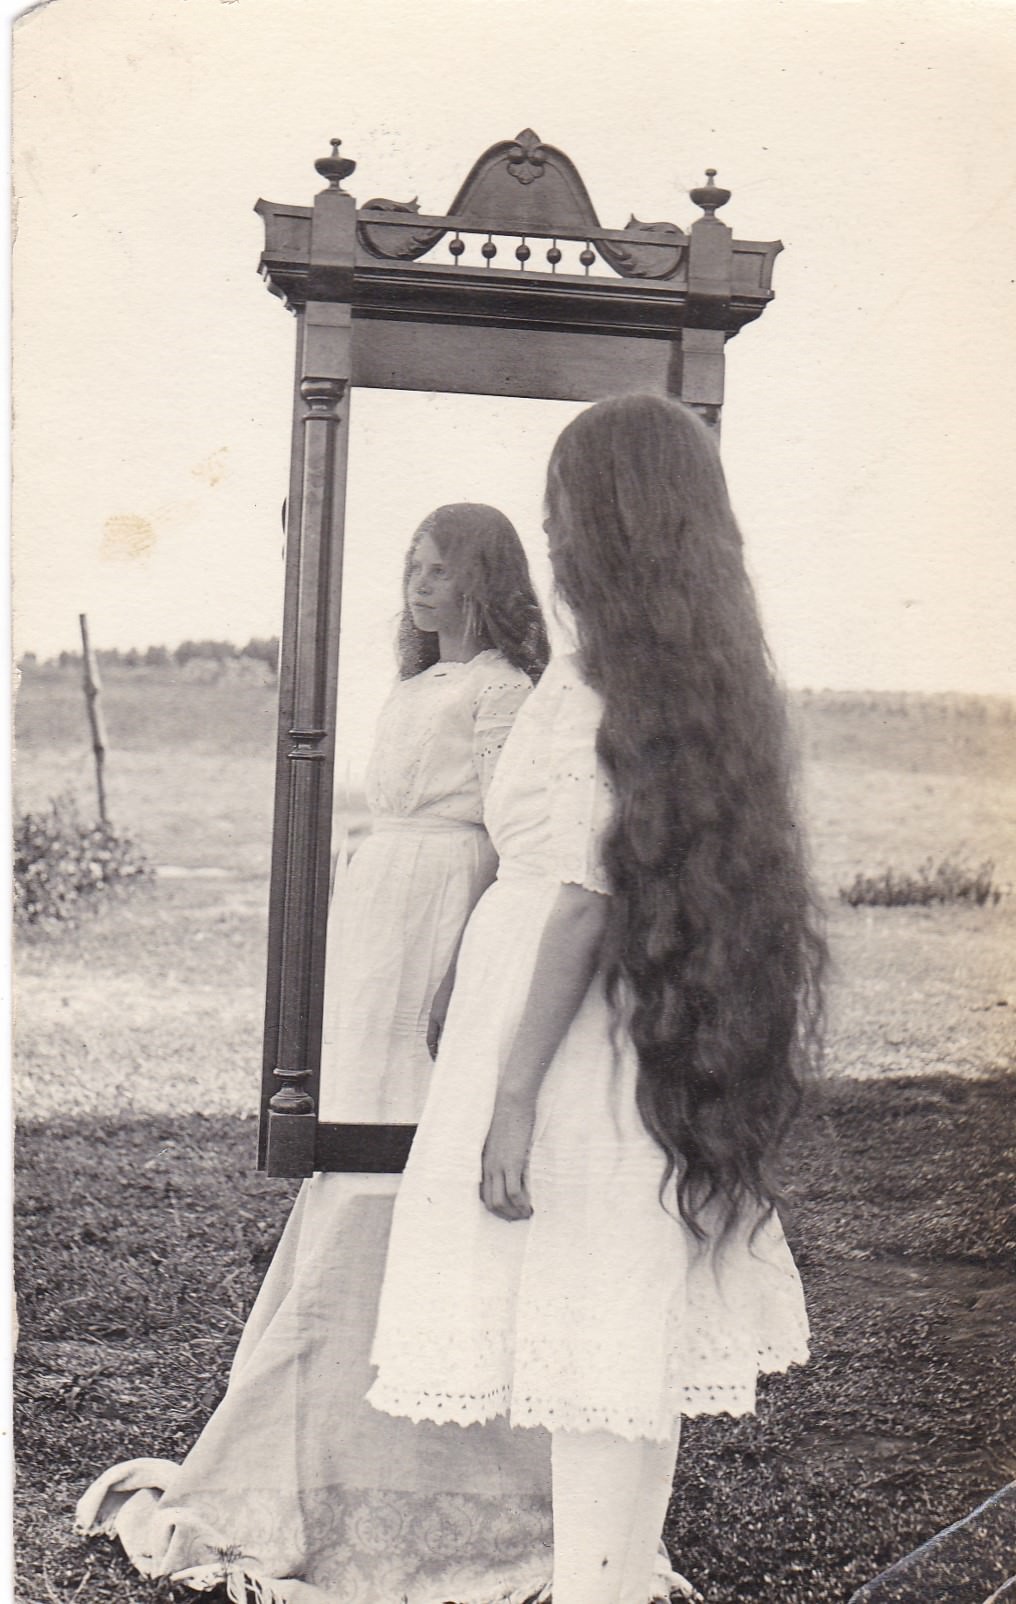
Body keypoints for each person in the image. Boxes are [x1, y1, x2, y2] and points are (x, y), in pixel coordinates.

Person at [367, 395, 827, 1604]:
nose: (549, 533)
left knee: (593, 1331)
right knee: (622, 1336)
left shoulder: (590, 686)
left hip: (568, 1039)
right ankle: (607, 1580)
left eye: (561, 509)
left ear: (611, 522)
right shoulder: (691, 674)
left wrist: (511, 1096)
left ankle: (596, 1584)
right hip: (632, 1025)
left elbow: (577, 899)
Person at [76, 504, 553, 1604]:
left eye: (442, 570)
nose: (420, 585)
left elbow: (508, 835)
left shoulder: (501, 690)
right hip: (382, 908)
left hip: (448, 906)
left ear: (485, 581)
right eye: (412, 566)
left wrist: (462, 963)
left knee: (410, 1130)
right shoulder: (416, 685)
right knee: (356, 1127)